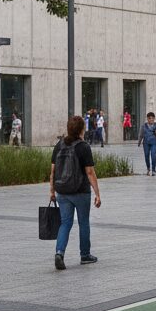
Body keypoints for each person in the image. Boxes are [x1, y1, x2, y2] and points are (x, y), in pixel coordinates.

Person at [49, 115, 101, 269]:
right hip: (80, 191)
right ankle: (85, 255)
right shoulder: (83, 147)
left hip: (63, 191)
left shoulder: (59, 145)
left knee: (65, 223)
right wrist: (97, 194)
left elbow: (52, 171)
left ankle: (59, 253)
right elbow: (90, 172)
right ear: (81, 129)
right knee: (84, 222)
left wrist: (51, 191)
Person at [138, 111, 156, 175]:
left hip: (154, 143)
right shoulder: (144, 126)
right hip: (146, 143)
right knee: (146, 156)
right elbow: (141, 134)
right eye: (149, 118)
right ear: (147, 119)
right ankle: (148, 168)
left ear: (154, 118)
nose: (151, 119)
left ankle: (154, 170)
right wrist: (139, 142)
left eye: (152, 118)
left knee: (153, 155)